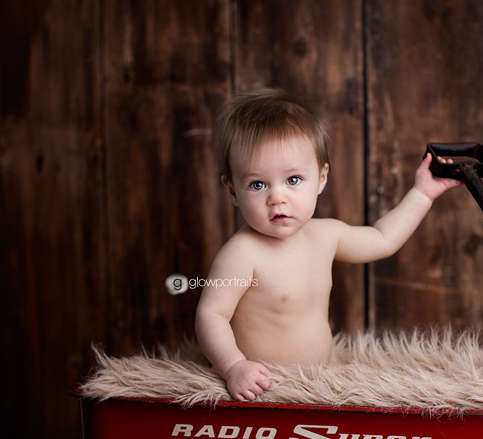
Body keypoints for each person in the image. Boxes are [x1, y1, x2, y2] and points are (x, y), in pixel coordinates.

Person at [195, 88, 461, 401]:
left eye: (293, 180)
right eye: (258, 184)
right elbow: (211, 315)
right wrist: (233, 366)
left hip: (318, 374)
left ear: (321, 178)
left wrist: (422, 194)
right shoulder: (242, 254)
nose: (277, 197)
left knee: (383, 384)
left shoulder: (326, 236)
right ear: (233, 191)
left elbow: (382, 239)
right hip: (267, 383)